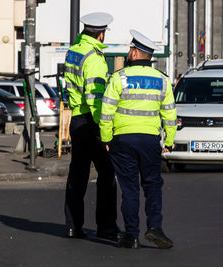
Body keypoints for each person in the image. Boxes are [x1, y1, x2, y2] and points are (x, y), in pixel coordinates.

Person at [99, 29, 177, 249]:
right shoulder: (162, 81)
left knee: (130, 188)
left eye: (130, 49)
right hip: (150, 140)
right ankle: (155, 228)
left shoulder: (118, 78)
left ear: (134, 53)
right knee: (152, 185)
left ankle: (131, 235)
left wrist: (106, 138)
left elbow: (107, 113)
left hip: (122, 141)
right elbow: (170, 115)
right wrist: (169, 141)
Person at [64, 12, 118, 239]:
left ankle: (72, 226)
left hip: (76, 120)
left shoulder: (74, 51)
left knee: (77, 174)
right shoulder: (94, 59)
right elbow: (95, 99)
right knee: (107, 174)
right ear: (102, 34)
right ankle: (106, 228)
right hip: (91, 121)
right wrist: (104, 130)